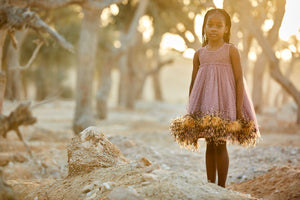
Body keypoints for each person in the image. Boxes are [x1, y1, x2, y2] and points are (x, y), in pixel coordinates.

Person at [170, 8, 260, 188]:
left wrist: (236, 109)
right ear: (203, 27)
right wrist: (191, 110)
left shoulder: (231, 51)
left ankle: (221, 187)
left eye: (219, 26)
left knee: (220, 144)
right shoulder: (199, 54)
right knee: (210, 144)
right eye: (209, 25)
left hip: (225, 104)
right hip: (205, 105)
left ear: (226, 29)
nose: (213, 29)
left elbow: (238, 80)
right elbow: (194, 83)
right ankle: (211, 186)